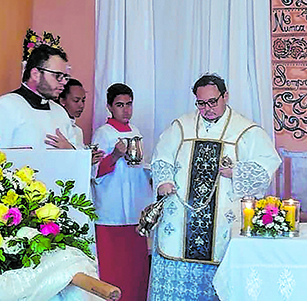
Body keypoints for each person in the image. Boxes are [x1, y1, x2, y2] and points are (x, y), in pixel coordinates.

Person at [148, 74, 281, 301]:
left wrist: (237, 172)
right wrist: (163, 180)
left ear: (225, 96)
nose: (207, 108)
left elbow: (267, 165)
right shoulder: (182, 126)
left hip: (222, 223)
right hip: (181, 219)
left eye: (213, 102)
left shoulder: (246, 131)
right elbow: (162, 156)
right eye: (201, 103)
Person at [91, 83, 153, 301]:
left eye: (129, 104)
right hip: (111, 211)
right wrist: (115, 156)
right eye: (120, 105)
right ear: (109, 107)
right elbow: (93, 172)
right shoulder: (103, 133)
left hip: (134, 209)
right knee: (114, 268)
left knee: (135, 268)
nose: (126, 110)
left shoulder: (136, 132)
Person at [0, 44, 79, 150]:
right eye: (57, 76)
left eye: (65, 77)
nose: (64, 82)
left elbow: (76, 151)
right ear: (35, 74)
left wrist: (70, 150)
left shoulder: (60, 112)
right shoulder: (4, 107)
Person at [58, 78, 104, 164]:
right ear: (62, 100)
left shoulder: (78, 131)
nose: (81, 105)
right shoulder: (55, 127)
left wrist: (89, 160)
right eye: (76, 100)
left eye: (83, 100)